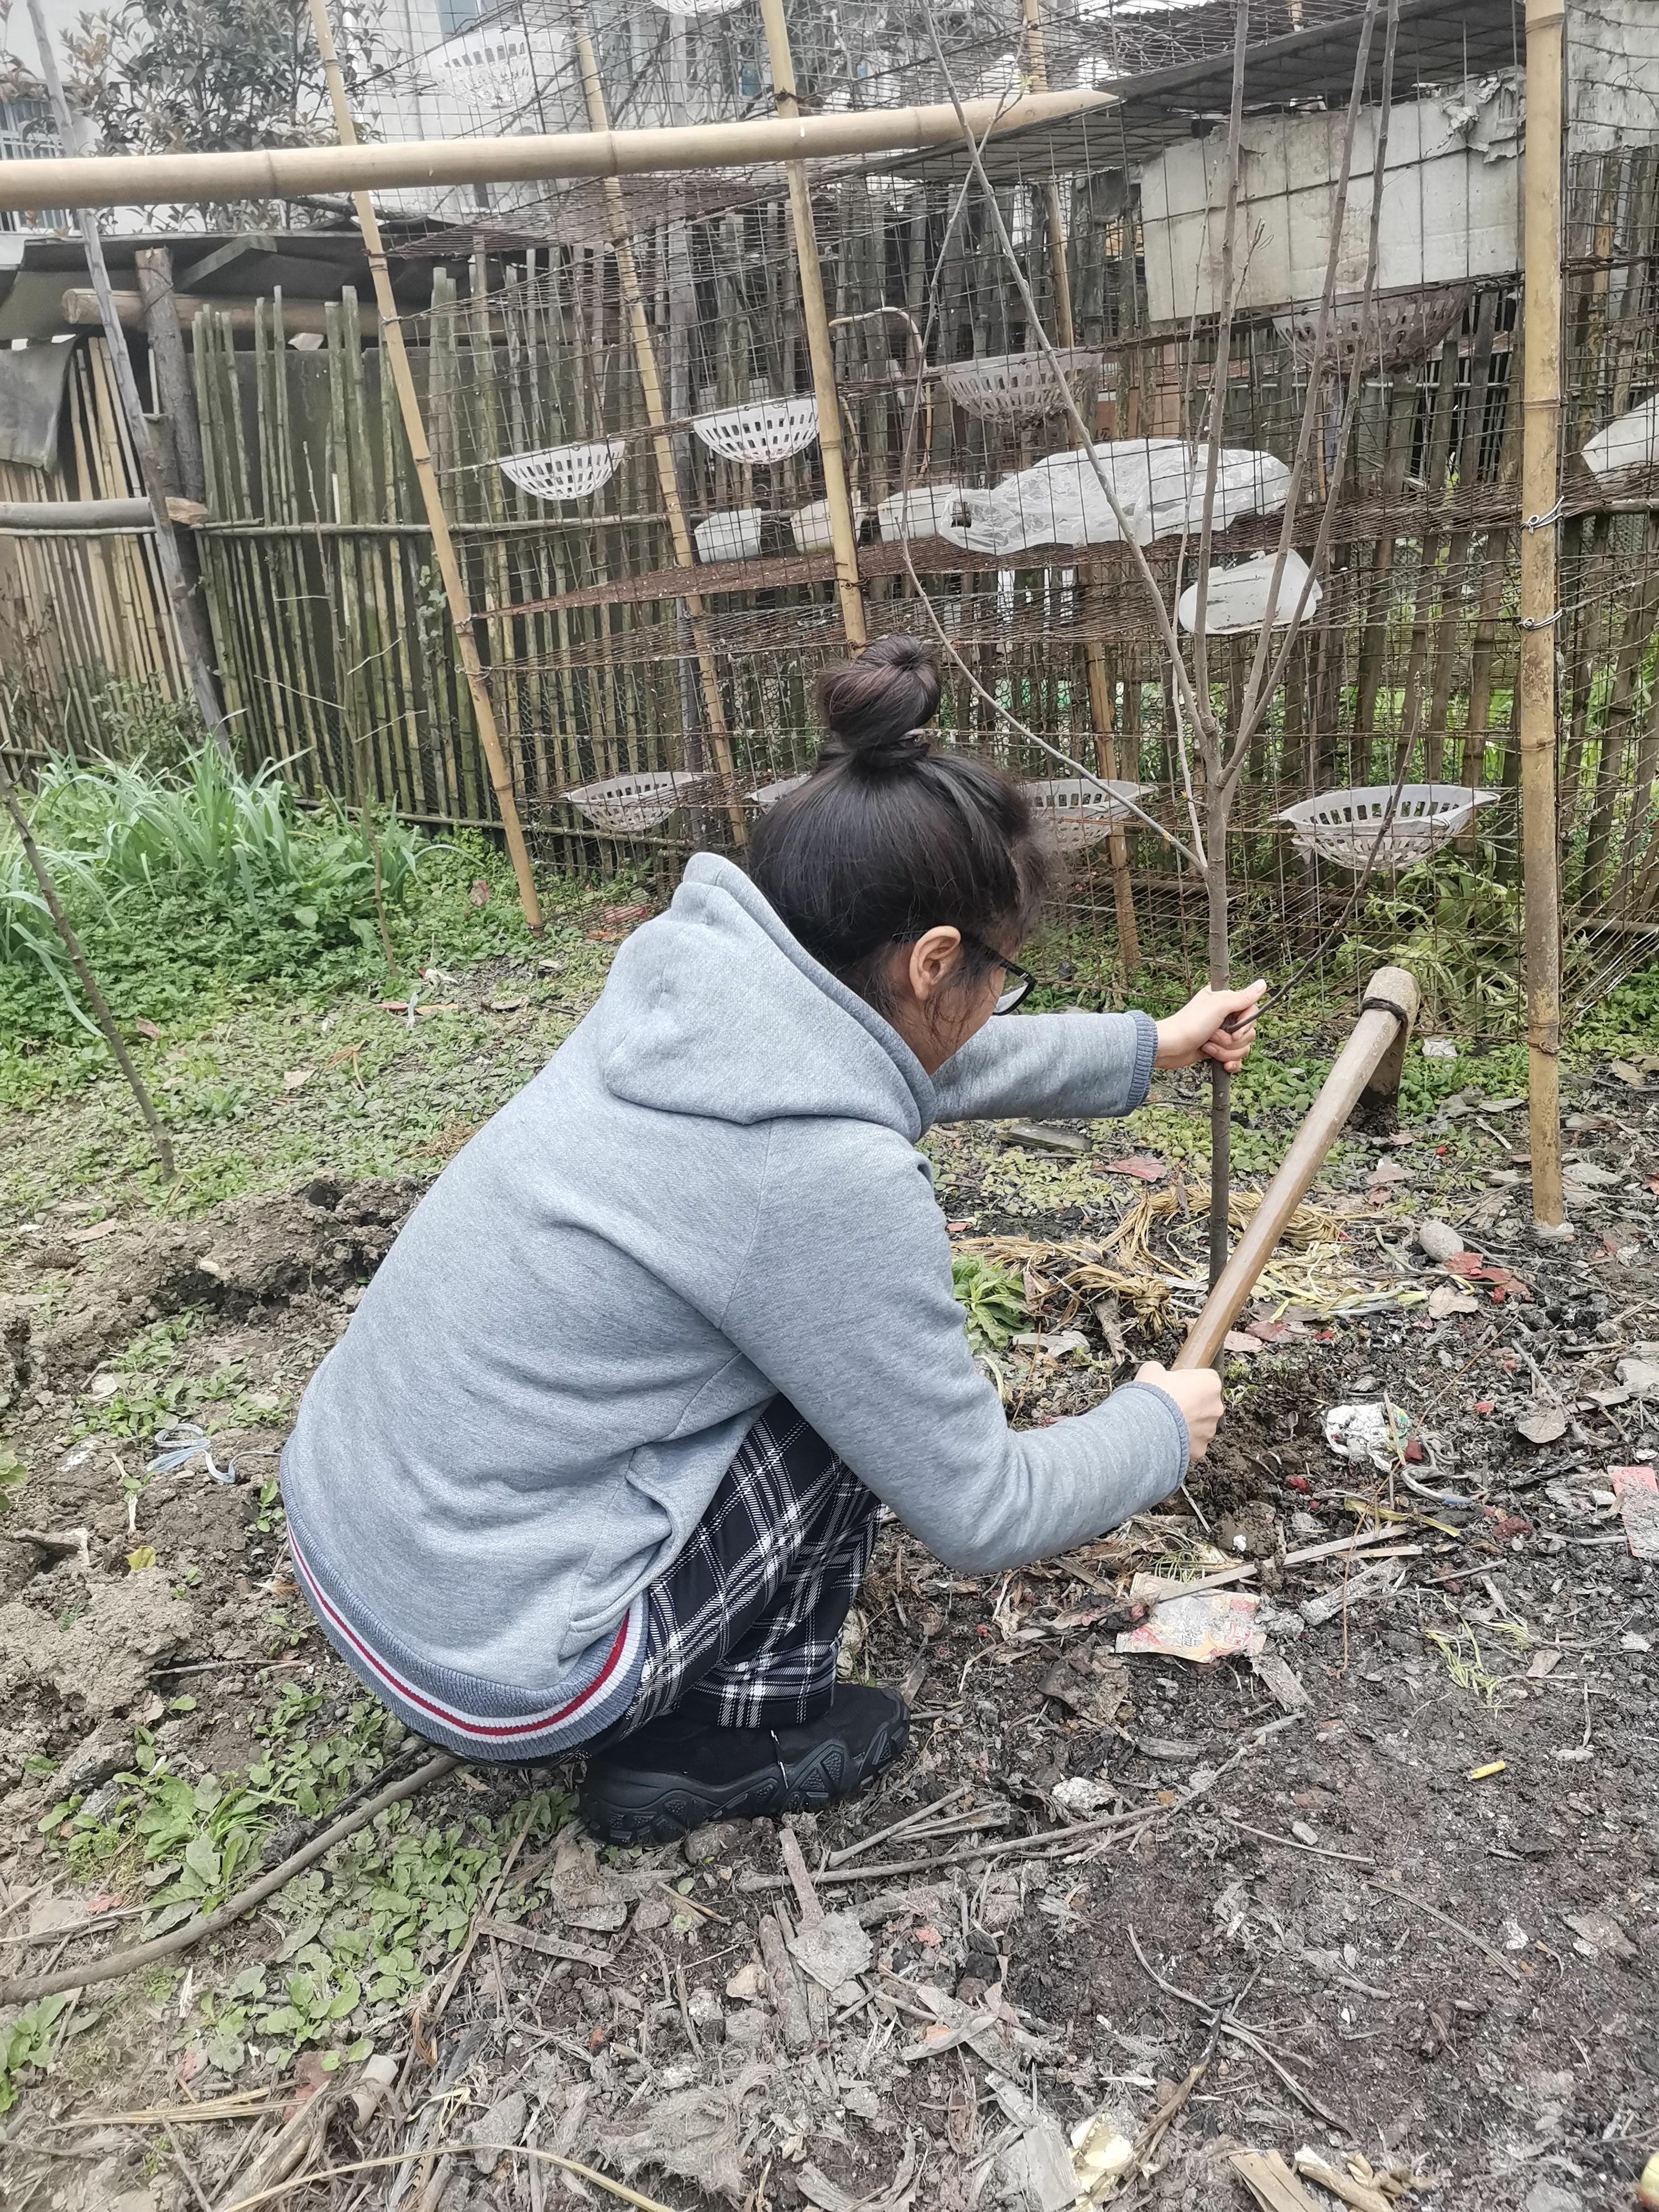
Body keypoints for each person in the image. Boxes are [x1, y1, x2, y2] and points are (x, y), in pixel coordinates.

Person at [279, 638, 1263, 1845]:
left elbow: (901, 1059)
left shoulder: (692, 999)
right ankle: (725, 1741)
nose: (995, 1005)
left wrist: (1147, 1044)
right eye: (1002, 978)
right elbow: (982, 1509)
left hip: (364, 1539)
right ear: (934, 960)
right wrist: (1157, 1426)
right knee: (842, 1403)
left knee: (820, 1355)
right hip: (502, 1662)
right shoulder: (817, 1175)